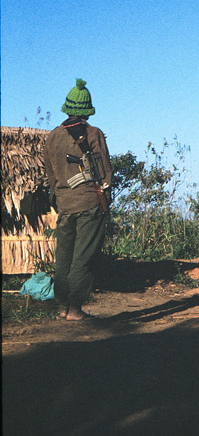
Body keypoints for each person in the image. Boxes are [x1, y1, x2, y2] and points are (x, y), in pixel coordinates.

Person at [43, 78, 112, 321]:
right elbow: (104, 172)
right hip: (89, 203)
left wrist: (60, 197)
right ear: (87, 110)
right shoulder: (93, 133)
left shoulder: (52, 137)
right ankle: (75, 308)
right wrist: (106, 197)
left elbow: (50, 174)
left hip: (65, 203)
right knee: (83, 256)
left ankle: (62, 306)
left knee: (64, 256)